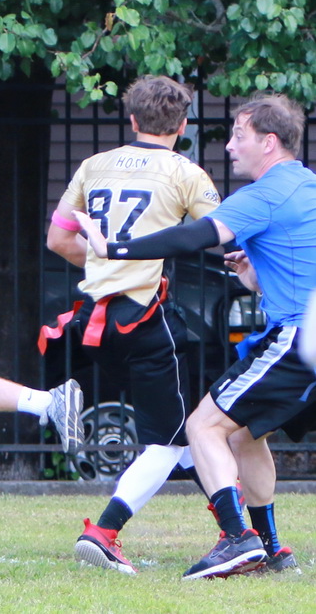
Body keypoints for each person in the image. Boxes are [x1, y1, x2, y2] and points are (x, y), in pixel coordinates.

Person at [75, 93, 315, 579]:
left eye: (239, 135)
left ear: (269, 142)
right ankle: (271, 548)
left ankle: (237, 539)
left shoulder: (264, 195)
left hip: (298, 337)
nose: (229, 146)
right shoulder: (306, 184)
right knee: (245, 434)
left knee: (203, 426)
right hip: (302, 335)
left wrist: (112, 247)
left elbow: (193, 236)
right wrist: (255, 271)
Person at [45, 76, 221, 575]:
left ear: (132, 120)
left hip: (93, 318)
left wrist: (105, 263)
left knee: (178, 430)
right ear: (183, 126)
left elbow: (58, 240)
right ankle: (103, 532)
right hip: (143, 315)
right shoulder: (185, 172)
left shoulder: (94, 165)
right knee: (171, 437)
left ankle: (240, 530)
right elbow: (223, 234)